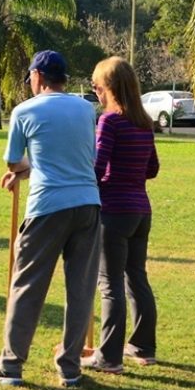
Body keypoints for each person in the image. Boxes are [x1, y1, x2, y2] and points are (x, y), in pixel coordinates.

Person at [0, 50, 100, 388]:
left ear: (38, 76)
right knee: (81, 289)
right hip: (88, 204)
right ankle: (71, 368)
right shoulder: (88, 109)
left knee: (27, 285)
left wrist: (22, 172)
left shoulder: (25, 110)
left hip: (47, 207)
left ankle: (11, 366)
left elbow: (14, 161)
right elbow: (84, 156)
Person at [83, 56, 160, 373]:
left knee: (110, 283)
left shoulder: (110, 121)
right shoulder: (144, 122)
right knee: (135, 276)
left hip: (114, 210)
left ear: (109, 87)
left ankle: (109, 357)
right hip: (141, 209)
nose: (96, 93)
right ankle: (143, 346)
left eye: (97, 87)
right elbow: (152, 169)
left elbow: (98, 167)